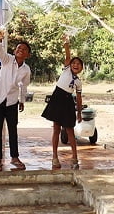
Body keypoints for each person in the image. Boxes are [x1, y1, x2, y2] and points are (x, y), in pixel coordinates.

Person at [0, 28, 31, 171]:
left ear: (28, 54)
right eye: (19, 48)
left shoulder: (26, 70)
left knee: (13, 129)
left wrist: (21, 101)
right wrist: (0, 39)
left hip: (12, 102)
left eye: (24, 49)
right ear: (15, 51)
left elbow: (23, 87)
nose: (21, 50)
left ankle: (14, 157)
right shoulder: (7, 60)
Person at [41, 34, 84, 170]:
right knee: (56, 129)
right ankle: (54, 157)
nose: (76, 65)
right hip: (57, 99)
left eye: (79, 64)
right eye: (74, 63)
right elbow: (67, 56)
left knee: (70, 130)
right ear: (70, 65)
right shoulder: (66, 70)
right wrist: (66, 43)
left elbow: (78, 97)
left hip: (68, 103)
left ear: (82, 68)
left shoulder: (78, 82)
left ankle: (75, 157)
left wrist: (79, 112)